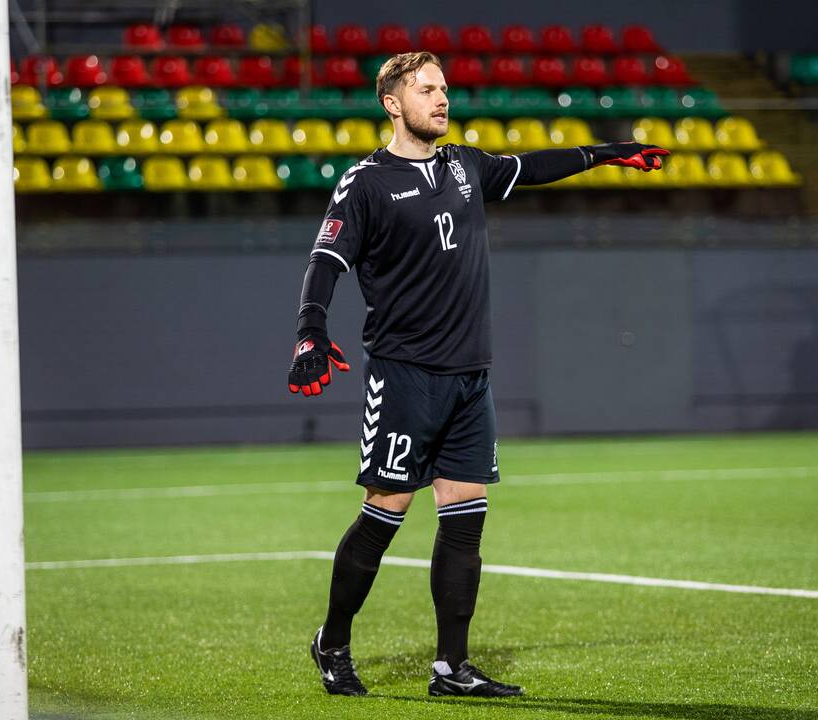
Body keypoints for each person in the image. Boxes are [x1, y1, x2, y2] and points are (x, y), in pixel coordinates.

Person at [286, 51, 668, 698]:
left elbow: (533, 167)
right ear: (392, 102)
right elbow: (326, 259)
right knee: (387, 510)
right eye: (427, 90)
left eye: (444, 89)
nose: (442, 99)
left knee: (465, 520)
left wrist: (606, 152)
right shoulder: (366, 182)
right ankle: (333, 641)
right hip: (405, 373)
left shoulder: (464, 166)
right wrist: (310, 330)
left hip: (470, 378)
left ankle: (451, 669)